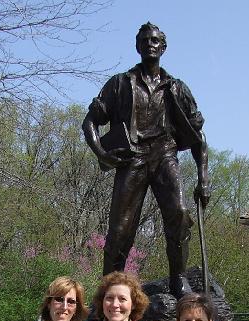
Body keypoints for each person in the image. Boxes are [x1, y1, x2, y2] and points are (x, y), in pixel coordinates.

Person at [82, 22, 210, 299]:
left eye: (155, 40)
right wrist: (102, 154)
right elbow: (90, 121)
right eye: (145, 40)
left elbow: (199, 137)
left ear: (163, 47)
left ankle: (179, 279)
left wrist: (203, 179)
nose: (150, 44)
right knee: (120, 228)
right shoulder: (120, 83)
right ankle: (109, 288)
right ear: (138, 46)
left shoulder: (176, 87)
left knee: (179, 213)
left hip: (165, 154)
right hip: (133, 157)